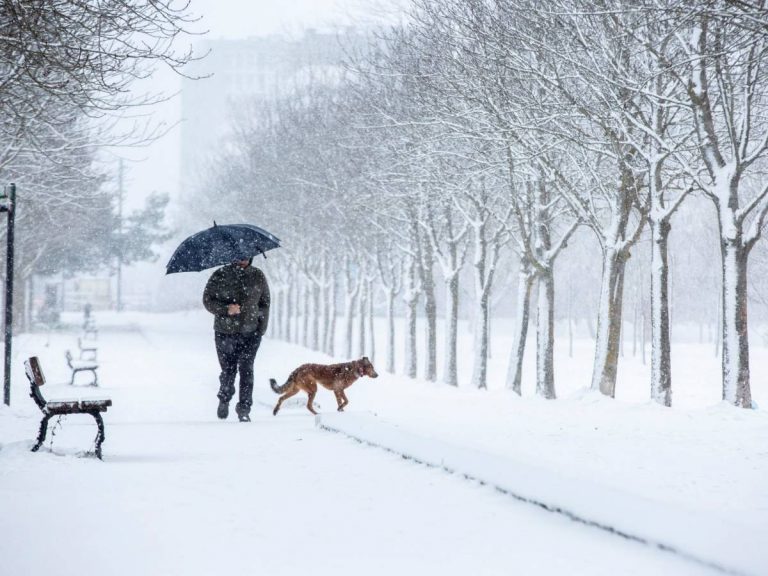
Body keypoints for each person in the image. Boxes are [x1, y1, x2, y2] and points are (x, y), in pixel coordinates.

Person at [203, 257, 270, 422]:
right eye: (240, 256)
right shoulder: (220, 274)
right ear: (231, 256)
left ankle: (244, 409)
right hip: (225, 331)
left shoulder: (257, 275)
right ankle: (224, 397)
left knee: (247, 370)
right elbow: (207, 300)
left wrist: (261, 329)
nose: (243, 259)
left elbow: (265, 303)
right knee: (228, 370)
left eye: (246, 256)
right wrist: (226, 309)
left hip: (251, 332)